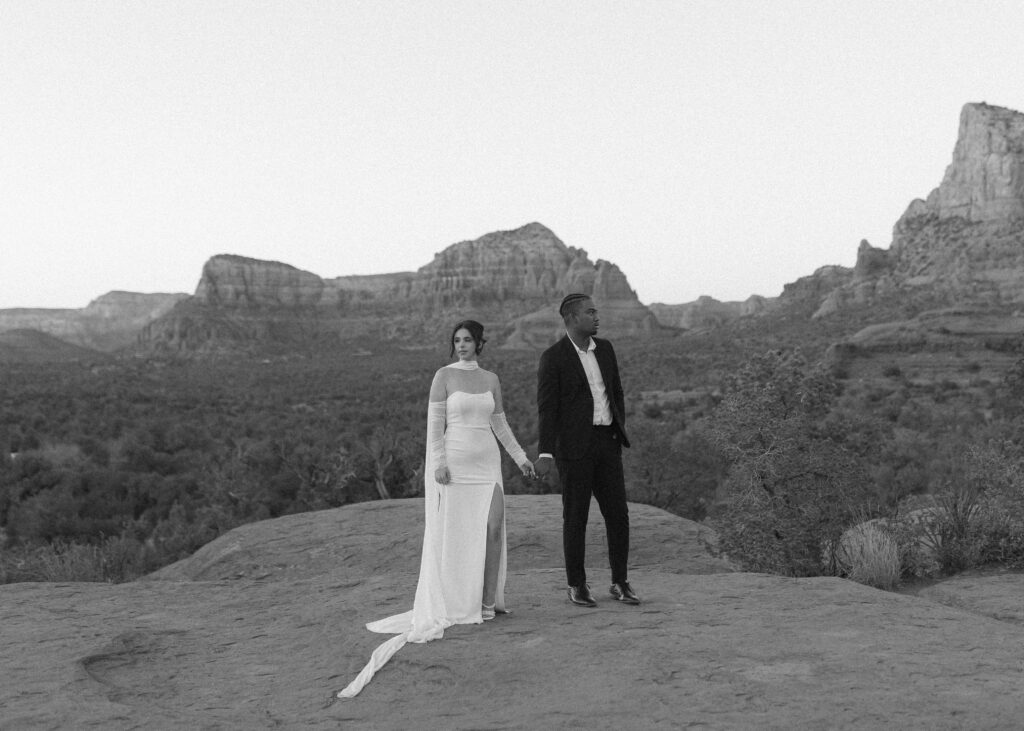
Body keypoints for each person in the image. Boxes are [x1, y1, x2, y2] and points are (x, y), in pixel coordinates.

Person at [338, 319, 534, 698]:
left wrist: (521, 458)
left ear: (480, 343)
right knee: (459, 532)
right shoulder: (443, 376)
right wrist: (438, 463)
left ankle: (488, 600)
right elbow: (435, 425)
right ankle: (463, 599)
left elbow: (501, 425)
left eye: (468, 340)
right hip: (456, 462)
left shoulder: (491, 379)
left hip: (487, 462)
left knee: (494, 526)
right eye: (456, 340)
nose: (462, 346)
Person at [535, 293, 640, 608]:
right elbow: (547, 409)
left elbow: (616, 391)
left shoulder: (605, 349)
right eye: (590, 312)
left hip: (607, 444)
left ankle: (620, 582)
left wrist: (617, 428)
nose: (597, 317)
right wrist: (546, 452)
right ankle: (576, 585)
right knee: (576, 518)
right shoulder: (553, 357)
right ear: (572, 318)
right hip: (574, 449)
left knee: (618, 515)